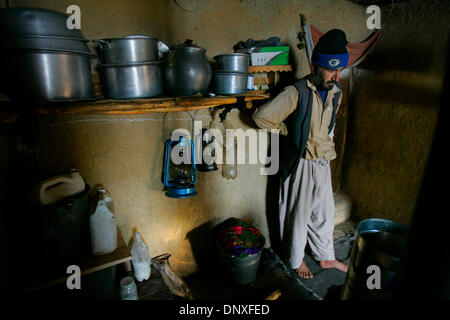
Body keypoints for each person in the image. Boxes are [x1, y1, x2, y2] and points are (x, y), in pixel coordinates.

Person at [252, 29, 349, 279]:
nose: (335, 77)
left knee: (324, 215)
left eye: (339, 71)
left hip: (322, 161)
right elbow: (260, 117)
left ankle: (326, 257)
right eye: (330, 70)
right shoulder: (296, 92)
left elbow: (328, 126)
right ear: (316, 66)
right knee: (298, 215)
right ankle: (296, 262)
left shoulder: (335, 92)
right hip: (301, 164)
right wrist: (286, 130)